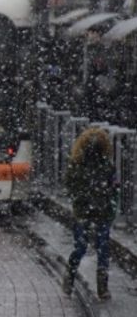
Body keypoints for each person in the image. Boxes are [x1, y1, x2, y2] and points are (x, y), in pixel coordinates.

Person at [62, 128, 118, 300]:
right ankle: (100, 286)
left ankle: (72, 278)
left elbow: (70, 186)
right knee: (96, 248)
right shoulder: (92, 164)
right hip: (93, 211)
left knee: (88, 247)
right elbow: (113, 188)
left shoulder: (83, 164)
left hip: (91, 212)